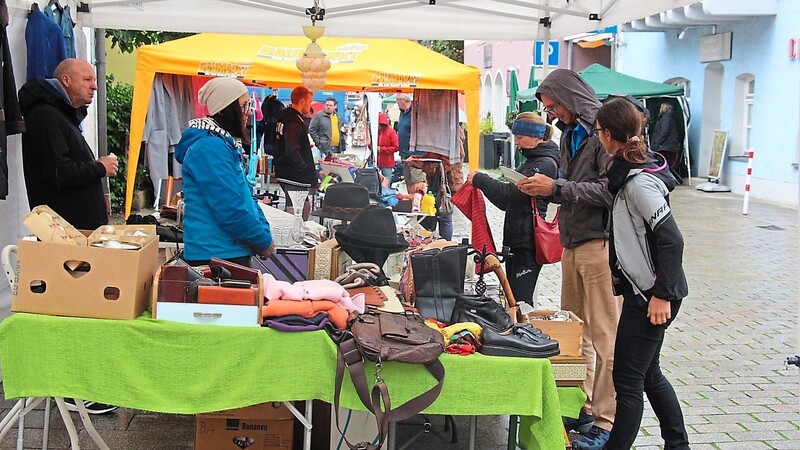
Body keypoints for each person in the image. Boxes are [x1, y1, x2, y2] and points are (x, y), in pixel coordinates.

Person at [517, 69, 620, 450]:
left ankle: (606, 421)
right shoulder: (569, 133)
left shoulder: (603, 131)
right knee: (575, 334)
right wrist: (545, 189)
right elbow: (575, 186)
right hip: (573, 242)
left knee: (604, 336)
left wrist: (557, 187)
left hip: (600, 244)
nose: (552, 115)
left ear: (571, 98)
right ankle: (583, 405)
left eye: (554, 106)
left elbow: (612, 191)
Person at [595, 97, 689, 450]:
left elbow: (672, 240)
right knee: (648, 375)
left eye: (600, 130)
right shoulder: (628, 177)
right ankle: (678, 444)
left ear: (608, 135)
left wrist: (661, 295)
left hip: (652, 295)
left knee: (628, 380)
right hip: (647, 291)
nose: (599, 136)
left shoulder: (638, 183)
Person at [174, 77, 275, 266]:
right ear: (227, 108)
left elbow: (246, 197)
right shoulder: (209, 148)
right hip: (216, 254)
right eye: (244, 106)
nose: (249, 112)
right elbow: (229, 207)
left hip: (227, 251)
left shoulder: (222, 144)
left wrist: (263, 231)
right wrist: (262, 239)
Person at [466, 112, 559, 305]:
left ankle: (525, 332)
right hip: (517, 239)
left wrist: (480, 179)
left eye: (520, 137)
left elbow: (510, 194)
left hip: (529, 242)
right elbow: (505, 202)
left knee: (521, 300)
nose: (516, 143)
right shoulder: (530, 162)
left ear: (536, 136)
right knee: (513, 298)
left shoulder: (545, 164)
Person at [19, 58, 118, 231]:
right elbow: (58, 171)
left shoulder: (61, 115)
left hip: (74, 229)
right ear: (66, 80)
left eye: (94, 80)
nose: (94, 86)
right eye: (87, 80)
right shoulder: (45, 116)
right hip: (63, 231)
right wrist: (99, 168)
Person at [275, 86, 318, 220]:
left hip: (287, 172)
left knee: (302, 205)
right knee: (295, 209)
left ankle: (299, 232)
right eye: (310, 101)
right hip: (294, 176)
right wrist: (304, 169)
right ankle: (294, 236)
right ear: (303, 101)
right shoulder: (293, 122)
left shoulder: (285, 118)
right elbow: (291, 150)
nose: (310, 105)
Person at [396, 93, 426, 188]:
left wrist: (415, 154)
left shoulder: (416, 112)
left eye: (397, 99)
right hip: (405, 154)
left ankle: (420, 202)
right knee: (408, 181)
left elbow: (423, 133)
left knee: (418, 182)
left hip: (415, 155)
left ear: (403, 100)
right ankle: (411, 201)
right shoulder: (402, 113)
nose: (396, 102)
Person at [650, 102, 682, 179]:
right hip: (668, 147)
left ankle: (669, 180)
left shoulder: (666, 118)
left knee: (664, 165)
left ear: (665, 108)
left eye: (661, 108)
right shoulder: (668, 118)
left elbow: (664, 132)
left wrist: (656, 144)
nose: (660, 109)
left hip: (665, 147)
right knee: (667, 166)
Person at [376, 112, 399, 182]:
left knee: (386, 182)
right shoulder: (377, 132)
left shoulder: (391, 132)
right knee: (376, 183)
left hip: (387, 162)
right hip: (377, 161)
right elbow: (371, 145)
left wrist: (381, 149)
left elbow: (396, 147)